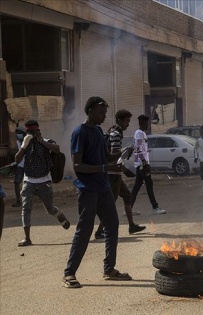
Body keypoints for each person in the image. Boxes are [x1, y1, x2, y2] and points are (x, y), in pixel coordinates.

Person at [63, 96, 132, 289]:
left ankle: (109, 269)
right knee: (84, 231)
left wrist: (122, 153)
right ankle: (69, 273)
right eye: (101, 113)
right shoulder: (80, 132)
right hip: (88, 189)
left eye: (105, 113)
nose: (104, 116)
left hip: (103, 187)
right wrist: (101, 168)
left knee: (112, 225)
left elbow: (107, 156)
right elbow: (77, 165)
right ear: (90, 110)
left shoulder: (99, 131)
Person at [14, 120, 70, 247]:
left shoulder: (47, 141)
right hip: (29, 181)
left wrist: (42, 142)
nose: (32, 135)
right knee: (26, 208)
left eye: (34, 132)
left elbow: (57, 149)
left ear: (39, 131)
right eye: (29, 133)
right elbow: (17, 159)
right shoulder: (25, 144)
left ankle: (59, 215)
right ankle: (27, 238)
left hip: (44, 181)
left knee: (50, 209)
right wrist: (24, 145)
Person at [94, 109, 145, 239]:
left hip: (115, 172)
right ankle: (100, 231)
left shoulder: (114, 132)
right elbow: (113, 156)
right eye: (127, 121)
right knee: (110, 203)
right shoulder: (115, 134)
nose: (128, 124)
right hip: (112, 173)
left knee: (127, 196)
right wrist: (125, 169)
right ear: (120, 120)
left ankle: (131, 225)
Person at [130, 115, 166, 215]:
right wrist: (144, 163)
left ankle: (128, 208)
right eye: (146, 123)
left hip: (140, 163)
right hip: (142, 164)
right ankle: (155, 207)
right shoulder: (139, 133)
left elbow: (139, 148)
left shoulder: (141, 133)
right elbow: (138, 149)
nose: (148, 125)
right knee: (149, 184)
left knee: (137, 186)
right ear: (141, 123)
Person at [12, 126, 26, 207]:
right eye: (17, 133)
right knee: (17, 182)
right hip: (20, 165)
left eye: (20, 133)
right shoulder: (18, 142)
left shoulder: (28, 142)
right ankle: (18, 201)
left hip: (28, 166)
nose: (18, 135)